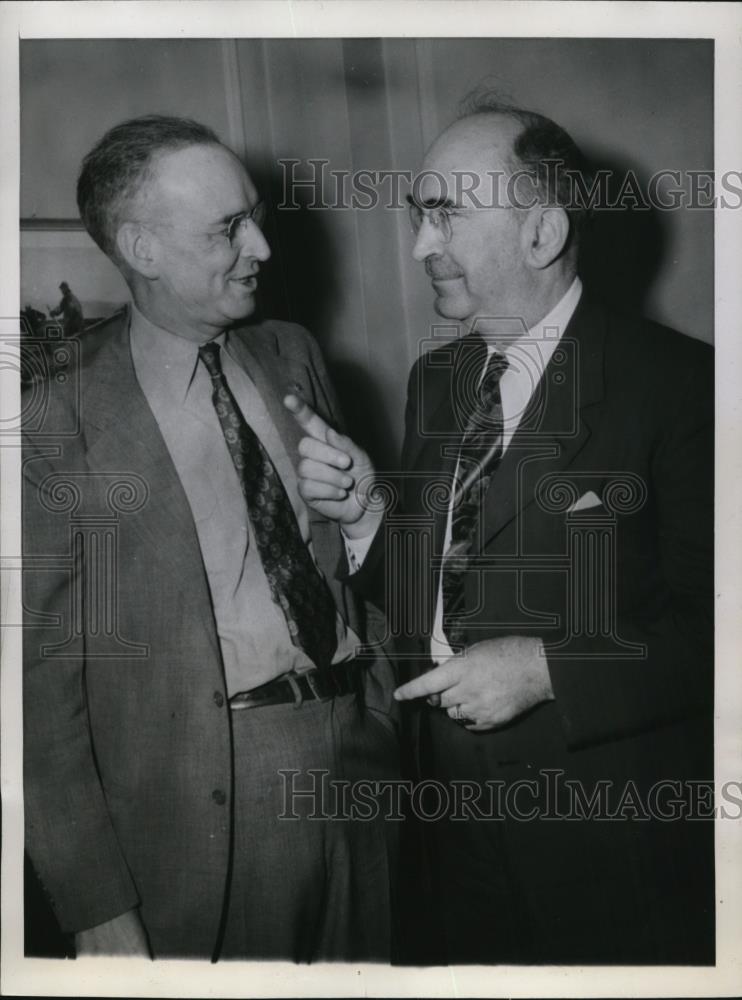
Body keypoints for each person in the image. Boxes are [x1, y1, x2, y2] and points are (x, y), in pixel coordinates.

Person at [289, 97, 714, 964]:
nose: (419, 246)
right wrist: (367, 512)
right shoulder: (435, 382)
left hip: (604, 843)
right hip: (444, 831)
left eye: (446, 214)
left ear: (542, 232)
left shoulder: (683, 387)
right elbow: (434, 593)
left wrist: (551, 668)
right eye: (419, 216)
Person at [23, 114, 398, 962]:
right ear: (142, 249)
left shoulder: (292, 352)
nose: (261, 245)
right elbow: (34, 690)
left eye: (254, 215)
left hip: (359, 767)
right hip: (206, 805)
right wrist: (94, 906)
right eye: (228, 228)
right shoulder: (56, 414)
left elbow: (345, 561)